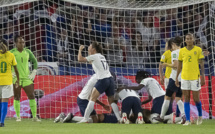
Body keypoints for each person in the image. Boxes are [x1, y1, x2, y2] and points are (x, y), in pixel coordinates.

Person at [77, 42, 120, 123]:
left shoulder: (94, 56)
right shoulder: (101, 56)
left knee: (92, 98)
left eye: (89, 46)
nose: (88, 47)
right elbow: (91, 62)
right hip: (110, 79)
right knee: (111, 101)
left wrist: (80, 50)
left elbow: (80, 59)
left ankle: (85, 119)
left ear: (93, 49)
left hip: (103, 79)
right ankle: (119, 119)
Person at [175, 33, 205, 126]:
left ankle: (200, 116)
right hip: (184, 77)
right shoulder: (182, 51)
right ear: (185, 40)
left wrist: (203, 77)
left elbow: (202, 64)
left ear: (193, 39)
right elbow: (179, 65)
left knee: (196, 99)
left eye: (190, 38)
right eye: (187, 39)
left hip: (195, 77)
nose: (188, 40)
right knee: (186, 98)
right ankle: (187, 120)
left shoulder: (198, 50)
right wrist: (176, 77)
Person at [10, 35, 40, 122]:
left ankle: (34, 117)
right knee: (17, 97)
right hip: (16, 79)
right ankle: (18, 117)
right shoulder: (11, 52)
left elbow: (34, 62)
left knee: (31, 96)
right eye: (20, 42)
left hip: (27, 78)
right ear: (16, 43)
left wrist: (34, 71)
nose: (22, 44)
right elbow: (6, 62)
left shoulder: (28, 52)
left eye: (23, 42)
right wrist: (10, 72)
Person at [157, 36, 185, 124]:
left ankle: (161, 116)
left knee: (168, 97)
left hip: (174, 78)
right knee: (178, 98)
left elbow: (176, 66)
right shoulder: (184, 51)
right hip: (183, 78)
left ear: (173, 44)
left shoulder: (174, 53)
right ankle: (184, 116)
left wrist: (166, 64)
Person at [0, 39, 19, 127]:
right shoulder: (11, 55)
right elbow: (16, 69)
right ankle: (2, 122)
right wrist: (18, 80)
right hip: (7, 81)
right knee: (4, 102)